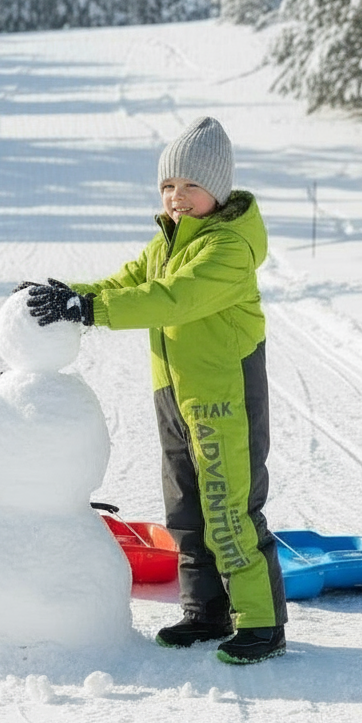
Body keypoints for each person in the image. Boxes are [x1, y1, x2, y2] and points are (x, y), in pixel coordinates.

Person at [25, 115, 287, 664]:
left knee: (228, 507)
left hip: (223, 397)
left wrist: (90, 310)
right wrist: (71, 295)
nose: (177, 196)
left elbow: (171, 299)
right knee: (186, 508)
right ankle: (205, 611)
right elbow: (129, 284)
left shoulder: (228, 249)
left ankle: (262, 622)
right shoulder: (168, 242)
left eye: (190, 185)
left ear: (217, 189)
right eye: (168, 185)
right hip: (173, 395)